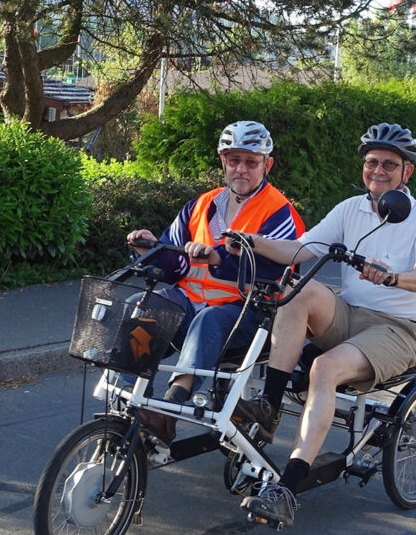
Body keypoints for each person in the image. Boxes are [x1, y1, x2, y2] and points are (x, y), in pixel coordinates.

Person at [225, 123, 416, 528]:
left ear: (406, 173)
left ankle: (287, 488)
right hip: (349, 314)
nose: (378, 171)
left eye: (389, 165)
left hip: (398, 329)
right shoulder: (350, 209)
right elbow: (301, 249)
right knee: (295, 287)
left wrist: (393, 277)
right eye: (371, 162)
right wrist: (249, 239)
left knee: (322, 369)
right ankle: (269, 407)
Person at [125, 120, 304, 444]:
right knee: (140, 306)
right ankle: (133, 403)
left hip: (248, 316)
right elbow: (175, 264)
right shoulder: (200, 205)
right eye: (234, 160)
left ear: (268, 164)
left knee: (209, 319)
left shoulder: (279, 212)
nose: (241, 169)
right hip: (189, 306)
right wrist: (149, 250)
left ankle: (171, 407)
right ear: (223, 161)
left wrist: (221, 259)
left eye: (251, 162)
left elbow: (275, 272)